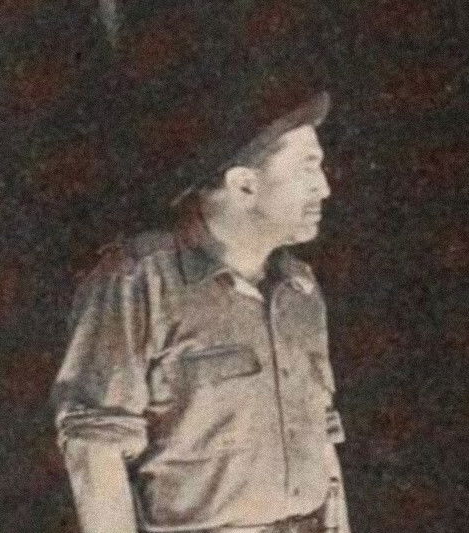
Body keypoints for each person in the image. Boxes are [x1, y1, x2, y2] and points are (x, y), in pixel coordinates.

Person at [51, 86, 350, 532]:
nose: (323, 188)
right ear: (244, 185)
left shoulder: (299, 289)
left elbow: (323, 440)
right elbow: (96, 446)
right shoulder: (138, 282)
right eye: (307, 168)